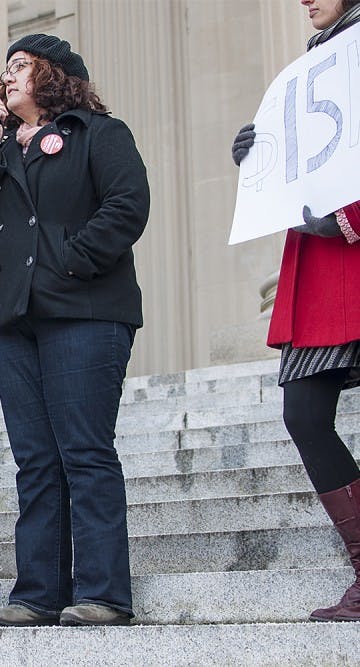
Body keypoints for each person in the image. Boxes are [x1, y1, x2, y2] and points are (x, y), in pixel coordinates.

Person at [0, 35, 150, 627]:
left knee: (84, 451)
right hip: (16, 320)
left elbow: (127, 205)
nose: (7, 76)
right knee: (35, 459)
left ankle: (102, 592)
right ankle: (38, 592)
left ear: (54, 74)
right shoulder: (4, 149)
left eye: (20, 66)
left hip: (86, 312)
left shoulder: (99, 133)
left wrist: (69, 261)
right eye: (6, 68)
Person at [230, 0, 360, 622]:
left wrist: (350, 220)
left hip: (350, 245)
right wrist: (262, 156)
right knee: (305, 413)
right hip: (321, 261)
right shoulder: (316, 60)